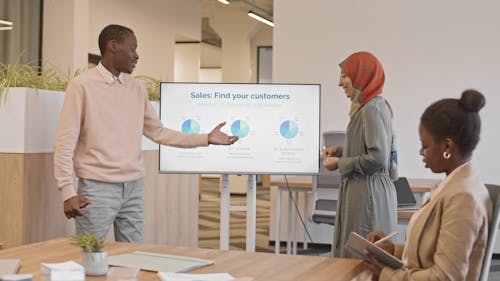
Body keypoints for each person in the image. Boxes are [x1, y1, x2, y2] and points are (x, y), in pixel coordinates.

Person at [53, 24, 238, 243]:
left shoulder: (136, 88)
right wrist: (67, 191)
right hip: (97, 190)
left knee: (134, 255)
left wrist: (205, 138)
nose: (137, 55)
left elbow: (158, 132)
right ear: (113, 46)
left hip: (133, 187)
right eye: (132, 48)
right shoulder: (82, 86)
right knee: (89, 254)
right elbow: (65, 142)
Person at [365, 90, 491, 281]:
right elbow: (433, 251)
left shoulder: (463, 198)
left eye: (425, 145)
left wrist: (386, 275)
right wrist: (394, 250)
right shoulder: (456, 184)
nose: (421, 151)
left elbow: (445, 277)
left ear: (447, 147)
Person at [323, 51, 397, 258]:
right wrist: (341, 150)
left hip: (368, 192)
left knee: (363, 257)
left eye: (344, 76)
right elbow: (371, 149)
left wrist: (340, 162)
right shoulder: (370, 107)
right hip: (364, 188)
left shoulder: (372, 109)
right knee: (357, 253)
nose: (340, 83)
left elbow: (377, 158)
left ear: (360, 76)